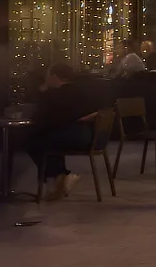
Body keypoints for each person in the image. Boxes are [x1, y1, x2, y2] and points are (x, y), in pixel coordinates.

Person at [27, 63, 104, 200]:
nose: (47, 79)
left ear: (55, 77)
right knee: (50, 140)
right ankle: (59, 178)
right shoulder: (81, 91)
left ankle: (55, 180)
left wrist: (42, 93)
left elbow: (44, 117)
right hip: (89, 136)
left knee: (32, 142)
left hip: (73, 135)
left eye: (48, 76)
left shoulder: (57, 95)